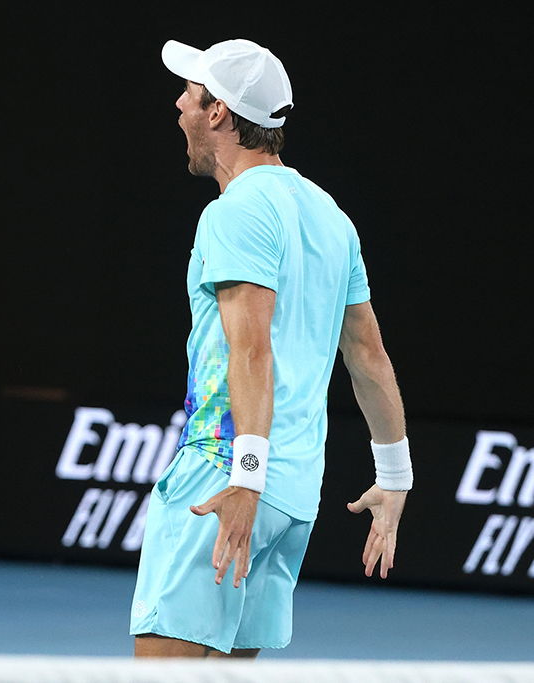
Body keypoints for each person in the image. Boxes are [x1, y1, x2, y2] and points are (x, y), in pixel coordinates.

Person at [130, 38, 411, 659]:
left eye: (191, 94)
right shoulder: (331, 216)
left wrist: (244, 481)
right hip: (293, 490)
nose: (178, 105)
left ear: (220, 113)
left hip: (228, 474)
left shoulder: (236, 211)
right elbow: (369, 356)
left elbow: (251, 350)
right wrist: (395, 476)